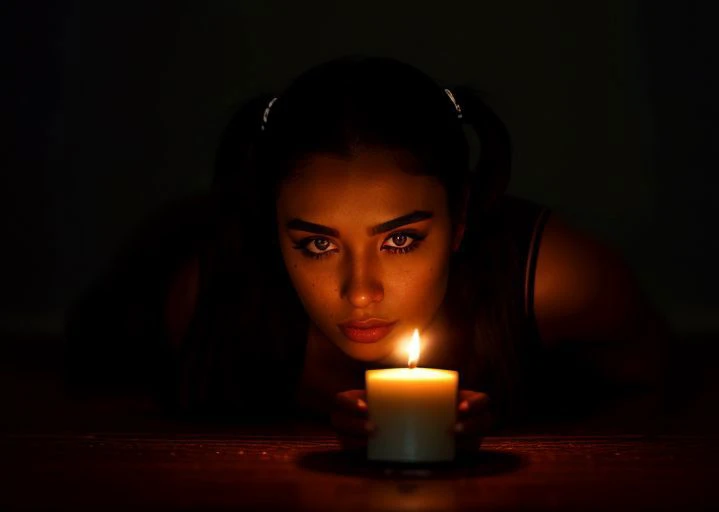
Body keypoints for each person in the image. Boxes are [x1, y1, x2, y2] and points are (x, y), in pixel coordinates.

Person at [66, 56, 670, 450]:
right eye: (318, 244)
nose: (360, 292)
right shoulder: (207, 304)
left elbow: (666, 389)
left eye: (401, 239)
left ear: (460, 220)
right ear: (273, 232)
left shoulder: (563, 279)